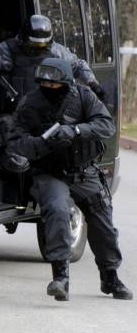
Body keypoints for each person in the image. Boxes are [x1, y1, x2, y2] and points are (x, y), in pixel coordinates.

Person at [8, 57, 132, 302]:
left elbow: (106, 126)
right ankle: (60, 277)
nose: (49, 87)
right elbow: (14, 141)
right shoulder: (30, 103)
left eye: (54, 84)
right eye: (44, 83)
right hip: (50, 172)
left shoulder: (84, 96)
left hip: (84, 171)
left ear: (66, 82)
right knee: (57, 211)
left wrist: (76, 131)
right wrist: (41, 143)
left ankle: (110, 277)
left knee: (103, 223)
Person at [0, 14, 105, 181]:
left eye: (43, 45)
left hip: (47, 115)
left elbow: (79, 65)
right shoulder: (6, 50)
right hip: (16, 114)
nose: (38, 49)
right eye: (34, 45)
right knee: (19, 160)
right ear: (23, 38)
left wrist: (93, 83)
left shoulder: (56, 51)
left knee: (67, 151)